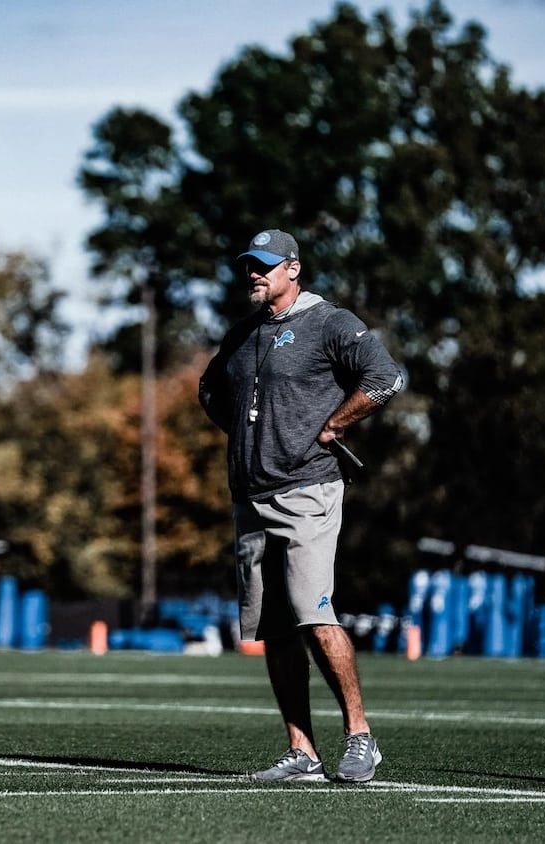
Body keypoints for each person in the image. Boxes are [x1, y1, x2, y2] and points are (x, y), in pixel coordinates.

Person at [198, 228, 404, 784]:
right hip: (250, 497)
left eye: (264, 265)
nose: (254, 274)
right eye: (249, 265)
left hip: (307, 490)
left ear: (293, 268)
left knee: (312, 614)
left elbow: (387, 378)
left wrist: (333, 424)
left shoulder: (330, 323)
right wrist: (248, 434)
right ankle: (302, 752)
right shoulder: (242, 335)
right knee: (276, 628)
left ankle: (361, 737)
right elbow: (209, 390)